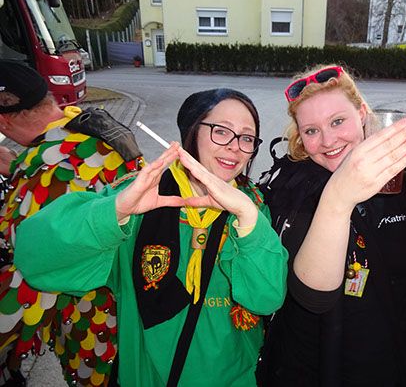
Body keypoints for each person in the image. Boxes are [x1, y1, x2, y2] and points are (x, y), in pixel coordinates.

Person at [13, 88, 289, 386]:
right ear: (191, 133)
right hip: (147, 376)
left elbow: (266, 300)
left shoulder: (252, 209)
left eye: (247, 138)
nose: (235, 146)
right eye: (221, 131)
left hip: (234, 377)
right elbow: (36, 259)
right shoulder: (140, 197)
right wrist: (115, 212)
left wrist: (248, 219)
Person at [257, 64, 406, 386]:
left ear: (362, 115)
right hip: (310, 367)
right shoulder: (292, 194)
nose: (327, 140)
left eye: (337, 121)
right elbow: (313, 297)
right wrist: (337, 199)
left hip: (393, 365)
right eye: (311, 131)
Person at [0, 60, 144, 386]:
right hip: (129, 305)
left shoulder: (52, 172)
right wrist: (20, 165)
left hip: (95, 325)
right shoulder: (87, 127)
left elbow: (32, 274)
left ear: (4, 121)